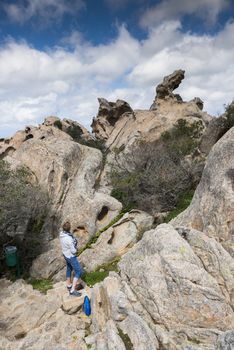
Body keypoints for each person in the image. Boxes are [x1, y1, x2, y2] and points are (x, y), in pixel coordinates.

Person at [60, 221, 84, 297]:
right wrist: (76, 249)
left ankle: (68, 284)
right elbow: (73, 250)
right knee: (79, 271)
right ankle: (72, 290)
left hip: (65, 254)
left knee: (69, 268)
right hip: (71, 256)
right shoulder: (69, 239)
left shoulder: (61, 234)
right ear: (69, 228)